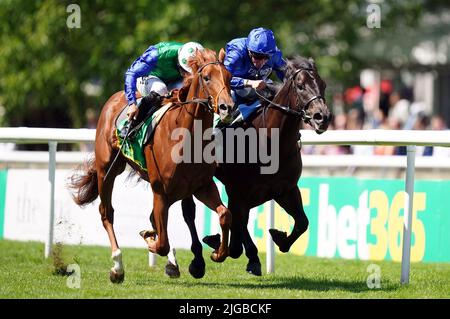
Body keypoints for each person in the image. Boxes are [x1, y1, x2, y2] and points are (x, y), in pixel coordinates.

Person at [124, 41, 204, 122]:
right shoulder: (156, 55)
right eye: (184, 70)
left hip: (172, 80)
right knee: (160, 88)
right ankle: (133, 122)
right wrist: (132, 103)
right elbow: (131, 74)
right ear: (179, 61)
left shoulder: (195, 53)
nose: (186, 74)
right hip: (148, 78)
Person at [223, 27, 286, 122]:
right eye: (257, 56)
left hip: (261, 91)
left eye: (266, 57)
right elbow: (222, 80)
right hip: (234, 91)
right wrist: (249, 83)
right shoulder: (237, 53)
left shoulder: (275, 55)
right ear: (249, 51)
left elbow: (288, 76)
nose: (262, 61)